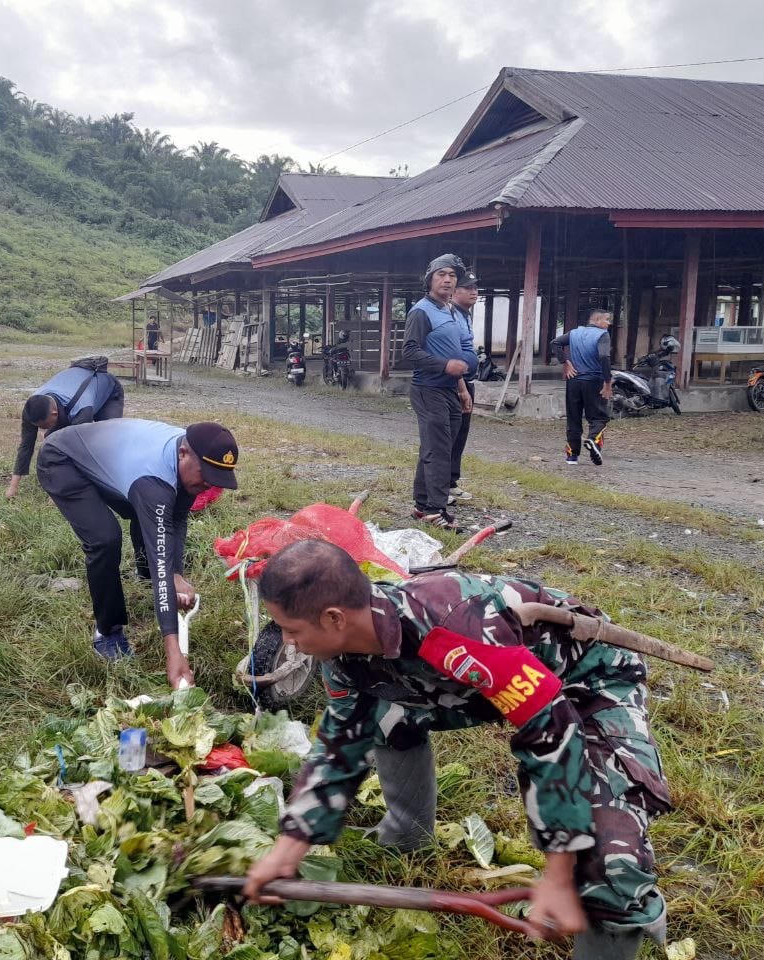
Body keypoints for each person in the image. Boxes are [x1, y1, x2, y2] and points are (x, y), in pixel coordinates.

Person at [243, 540, 670, 960]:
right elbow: (339, 744)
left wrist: (559, 873)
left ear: (334, 617)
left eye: (292, 629)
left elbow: (551, 733)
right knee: (385, 717)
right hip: (485, 686)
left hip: (584, 682)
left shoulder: (456, 628)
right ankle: (409, 831)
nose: (288, 641)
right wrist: (290, 845)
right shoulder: (346, 655)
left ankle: (610, 929)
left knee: (611, 861)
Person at [35, 419, 238, 688]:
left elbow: (176, 519)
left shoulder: (191, 455)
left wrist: (176, 574)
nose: (208, 486)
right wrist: (173, 651)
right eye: (205, 475)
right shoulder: (154, 481)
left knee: (155, 524)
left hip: (106, 461)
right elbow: (161, 556)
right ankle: (107, 631)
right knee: (105, 539)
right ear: (183, 454)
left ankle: (148, 579)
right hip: (62, 460)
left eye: (216, 480)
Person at [403, 254, 477, 530]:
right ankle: (436, 511)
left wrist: (462, 388)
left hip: (450, 389)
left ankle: (422, 506)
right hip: (428, 389)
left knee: (436, 447)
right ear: (430, 278)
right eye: (441, 274)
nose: (447, 279)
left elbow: (455, 352)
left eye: (452, 276)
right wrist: (445, 365)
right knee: (440, 450)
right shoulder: (421, 311)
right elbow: (409, 351)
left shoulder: (449, 310)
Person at [6, 362, 124, 498]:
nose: (41, 430)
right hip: (74, 393)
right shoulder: (32, 407)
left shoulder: (81, 409)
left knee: (105, 441)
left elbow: (78, 452)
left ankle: (112, 485)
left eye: (43, 426)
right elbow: (26, 446)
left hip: (108, 392)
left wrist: (61, 489)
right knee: (53, 439)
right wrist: (13, 487)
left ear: (54, 414)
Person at [551, 309, 613, 465]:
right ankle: (593, 440)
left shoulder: (574, 333)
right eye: (607, 319)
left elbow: (555, 343)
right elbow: (604, 356)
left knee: (573, 418)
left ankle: (572, 456)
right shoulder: (602, 335)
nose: (609, 323)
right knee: (598, 416)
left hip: (573, 381)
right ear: (597, 320)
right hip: (593, 380)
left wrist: (565, 362)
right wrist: (608, 382)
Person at [448, 274, 480, 501]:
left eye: (475, 288)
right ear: (454, 291)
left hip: (467, 380)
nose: (474, 292)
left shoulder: (465, 315)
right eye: (467, 288)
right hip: (455, 382)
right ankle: (441, 483)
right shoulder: (450, 314)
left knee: (461, 433)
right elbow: (452, 351)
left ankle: (451, 481)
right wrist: (461, 387)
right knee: (448, 435)